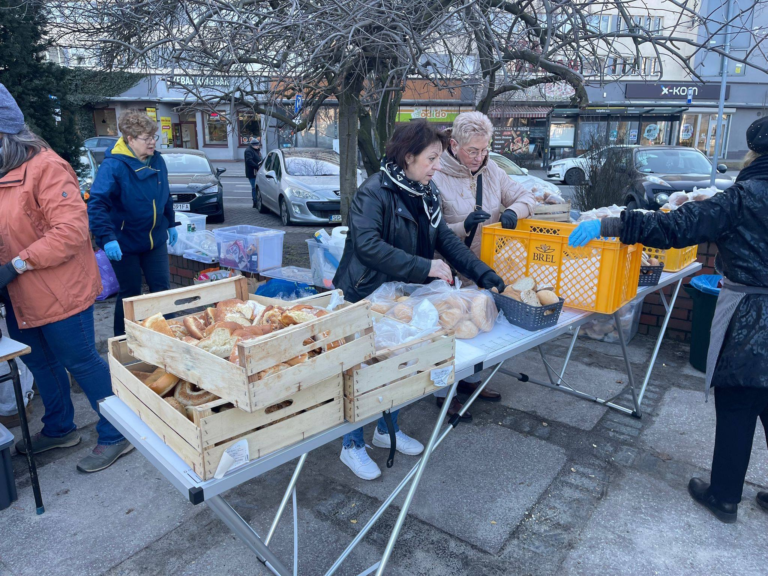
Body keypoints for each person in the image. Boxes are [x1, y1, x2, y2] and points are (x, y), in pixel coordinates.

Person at [569, 116, 768, 524]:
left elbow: (678, 226)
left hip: (751, 317)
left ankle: (725, 496)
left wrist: (610, 223)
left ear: (753, 153)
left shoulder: (745, 197)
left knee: (739, 403)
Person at [333, 120, 505, 480]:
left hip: (403, 296)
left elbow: (446, 241)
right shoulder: (373, 192)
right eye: (431, 159)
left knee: (398, 367)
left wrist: (483, 273)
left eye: (439, 158)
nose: (437, 166)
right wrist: (425, 266)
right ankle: (352, 446)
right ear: (408, 157)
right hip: (364, 294)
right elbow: (367, 246)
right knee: (361, 374)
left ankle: (386, 430)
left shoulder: (426, 193)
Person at [0, 84, 133, 472]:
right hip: (21, 296)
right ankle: (59, 429)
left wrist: (17, 265)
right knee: (40, 363)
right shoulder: (4, 172)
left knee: (81, 361)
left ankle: (117, 432)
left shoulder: (46, 167)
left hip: (60, 291)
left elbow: (71, 232)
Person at [432, 111, 536, 411]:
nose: (479, 157)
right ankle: (443, 393)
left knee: (479, 326)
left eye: (484, 149)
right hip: (447, 268)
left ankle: (471, 380)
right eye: (472, 151)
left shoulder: (493, 172)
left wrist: (515, 211)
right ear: (454, 145)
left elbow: (527, 196)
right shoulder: (435, 174)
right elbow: (430, 232)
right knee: (448, 328)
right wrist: (462, 226)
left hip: (483, 266)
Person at [88, 109, 178, 336]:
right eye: (147, 139)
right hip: (124, 242)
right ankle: (124, 342)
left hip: (154, 239)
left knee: (162, 290)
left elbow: (164, 193)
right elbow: (97, 203)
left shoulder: (157, 159)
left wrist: (171, 222)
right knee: (130, 294)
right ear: (130, 139)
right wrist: (107, 238)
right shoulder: (113, 166)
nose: (152, 143)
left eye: (154, 137)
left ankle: (170, 338)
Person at [245, 137, 263, 207]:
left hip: (256, 171)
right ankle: (255, 202)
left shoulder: (255, 150)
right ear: (253, 145)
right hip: (252, 172)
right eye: (257, 145)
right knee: (254, 187)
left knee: (256, 187)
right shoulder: (249, 151)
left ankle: (256, 201)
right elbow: (249, 161)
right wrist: (257, 166)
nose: (258, 146)